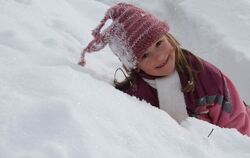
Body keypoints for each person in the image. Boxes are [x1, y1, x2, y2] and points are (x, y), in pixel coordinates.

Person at [78, 3, 250, 136]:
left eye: (159, 43)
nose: (159, 57)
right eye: (144, 56)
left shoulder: (205, 76)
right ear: (134, 66)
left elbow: (237, 121)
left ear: (168, 37)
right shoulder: (135, 94)